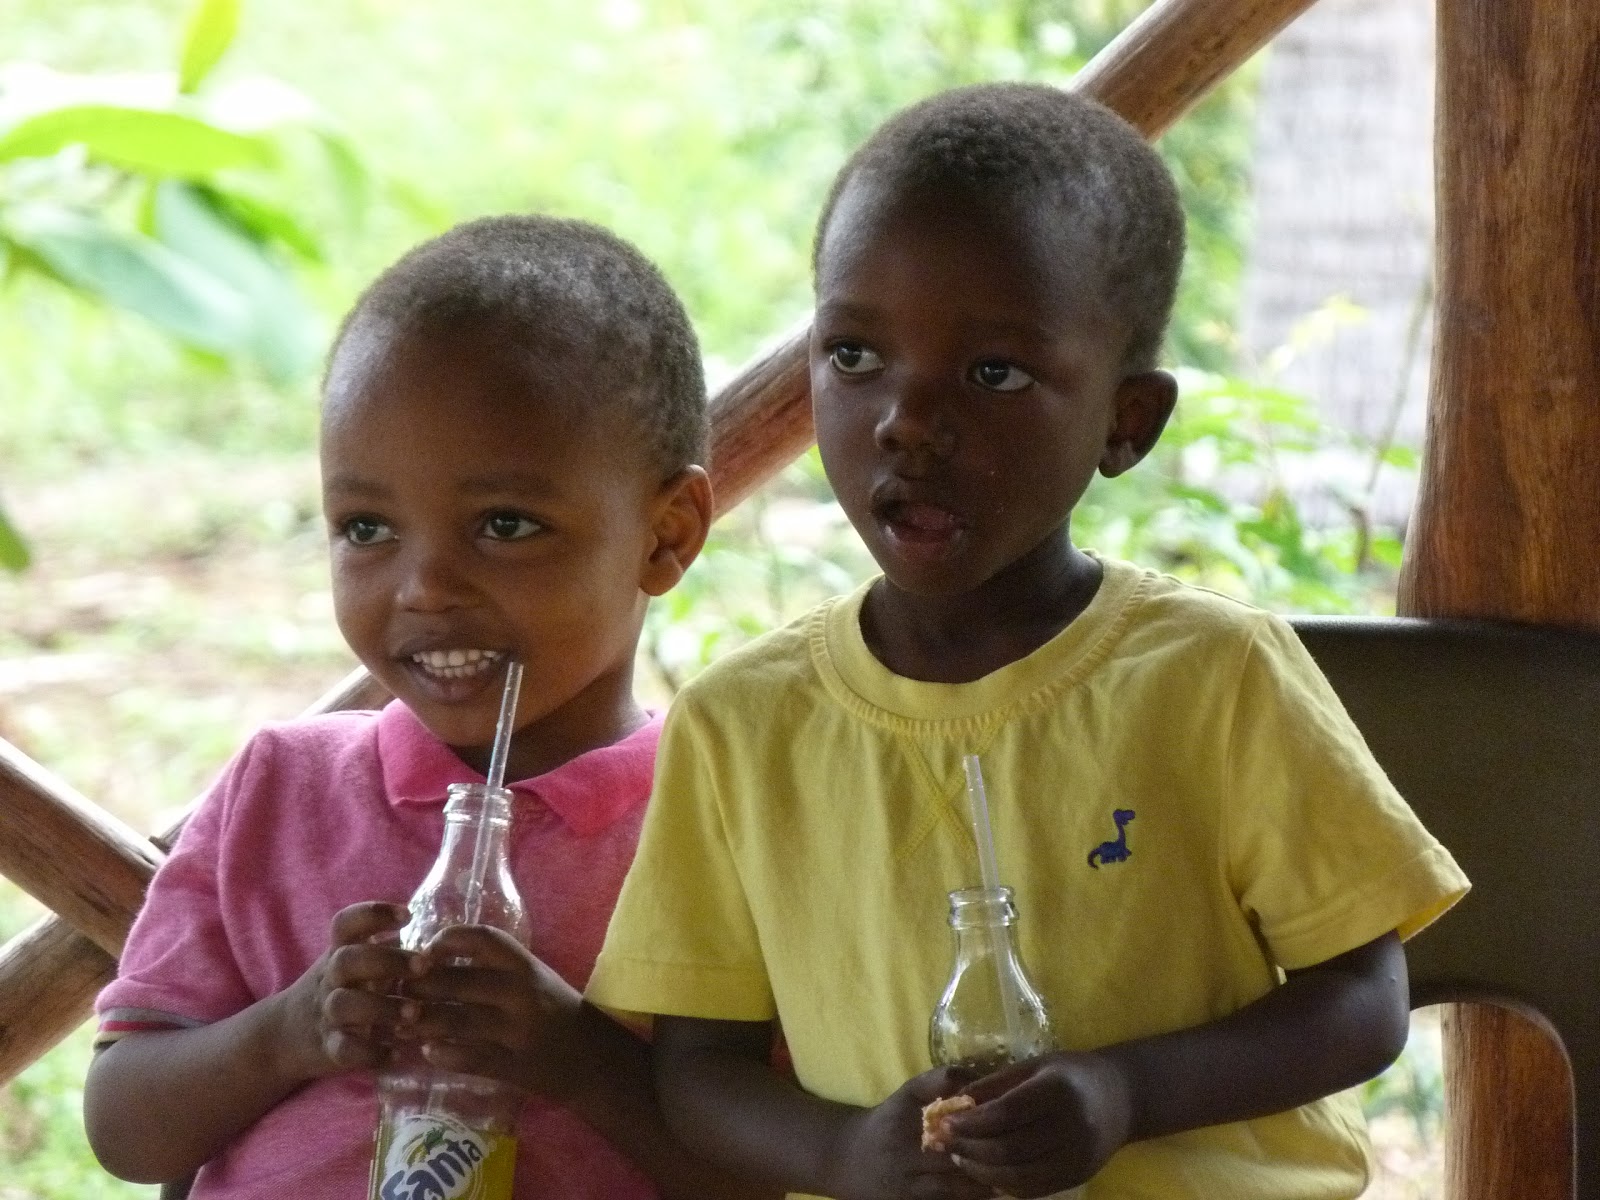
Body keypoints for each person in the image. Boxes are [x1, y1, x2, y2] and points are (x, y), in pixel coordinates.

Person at [586, 83, 1470, 1200]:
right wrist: (845, 1154)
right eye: (853, 355)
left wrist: (1126, 1092)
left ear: (1126, 422)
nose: (907, 420)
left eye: (993, 373)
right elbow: (697, 1070)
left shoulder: (1212, 677)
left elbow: (1361, 1000)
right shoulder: (742, 725)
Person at [84, 215, 759, 1199]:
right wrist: (288, 1032)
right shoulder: (282, 790)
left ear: (666, 534)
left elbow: (765, 1178)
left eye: (505, 525)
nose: (425, 587)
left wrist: (576, 1054)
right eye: (367, 528)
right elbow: (125, 1127)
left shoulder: (715, 826)